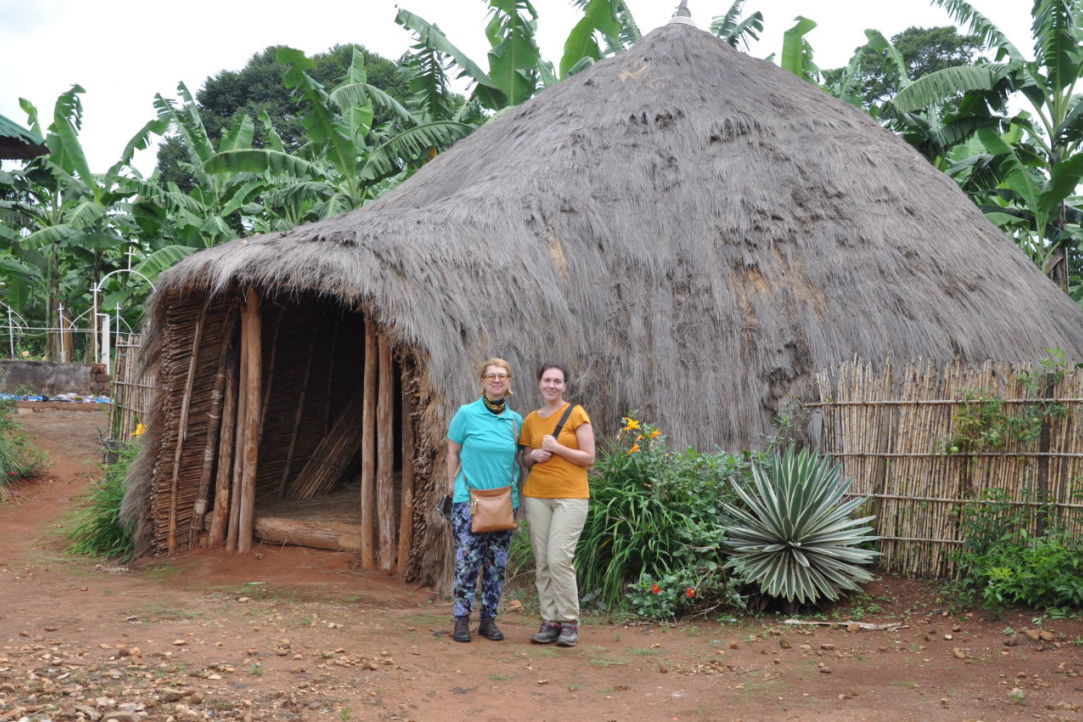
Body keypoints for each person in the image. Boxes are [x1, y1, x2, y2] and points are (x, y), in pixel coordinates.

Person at [446, 357, 523, 643]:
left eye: (502, 375)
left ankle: (488, 620)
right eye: (491, 375)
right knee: (467, 562)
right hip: (469, 500)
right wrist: (451, 485)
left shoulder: (515, 421)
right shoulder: (466, 414)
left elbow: (521, 456)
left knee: (496, 563)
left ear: (509, 382)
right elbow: (452, 452)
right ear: (482, 381)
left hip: (504, 501)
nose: (496, 380)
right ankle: (461, 619)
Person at [519, 363, 595, 647]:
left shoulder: (577, 414)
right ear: (539, 384)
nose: (552, 385)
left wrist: (558, 448)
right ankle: (549, 620)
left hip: (571, 497)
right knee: (542, 561)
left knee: (559, 559)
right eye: (547, 380)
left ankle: (570, 622)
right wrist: (534, 455)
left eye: (557, 381)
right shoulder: (530, 420)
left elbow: (589, 458)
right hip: (537, 495)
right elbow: (525, 459)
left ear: (565, 386)